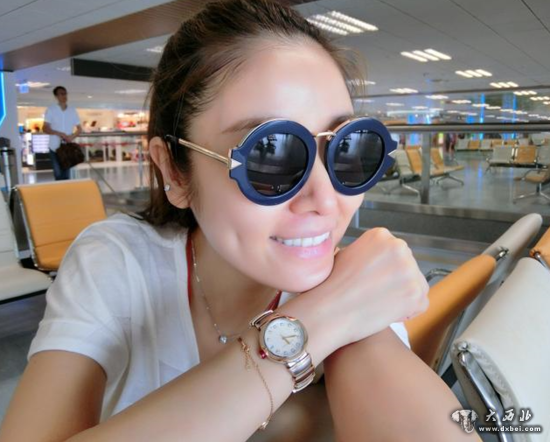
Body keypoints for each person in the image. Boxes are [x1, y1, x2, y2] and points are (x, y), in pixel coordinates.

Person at [0, 1, 479, 441]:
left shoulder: (356, 284)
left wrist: (341, 310)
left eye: (349, 149)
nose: (325, 199)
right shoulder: (118, 261)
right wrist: (319, 319)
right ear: (174, 171)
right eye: (271, 156)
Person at [42, 86, 82, 180]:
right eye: (61, 94)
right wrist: (58, 133)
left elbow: (79, 129)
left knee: (66, 173)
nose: (64, 96)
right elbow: (45, 128)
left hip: (67, 147)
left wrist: (72, 137)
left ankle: (66, 188)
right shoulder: (51, 109)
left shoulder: (72, 110)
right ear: (56, 96)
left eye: (65, 93)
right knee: (58, 173)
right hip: (54, 147)